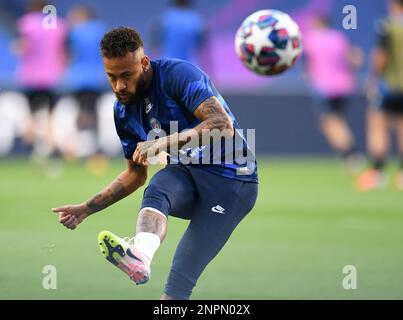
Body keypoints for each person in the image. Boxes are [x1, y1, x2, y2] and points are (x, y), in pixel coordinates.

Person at [52, 27, 258, 300]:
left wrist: (164, 143)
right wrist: (86, 209)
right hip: (188, 173)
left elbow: (222, 125)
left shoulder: (178, 75)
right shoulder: (123, 110)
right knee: (158, 185)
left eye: (126, 75)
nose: (119, 86)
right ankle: (140, 256)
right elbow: (134, 176)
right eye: (111, 77)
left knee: (177, 286)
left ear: (144, 63)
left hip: (233, 181)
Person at [303, 15, 364, 170]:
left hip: (325, 87)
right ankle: (349, 156)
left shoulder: (311, 39)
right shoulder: (339, 37)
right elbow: (356, 58)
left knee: (330, 123)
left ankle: (351, 155)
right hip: (345, 86)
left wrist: (310, 79)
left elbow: (307, 63)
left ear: (317, 23)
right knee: (338, 121)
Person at [356, 0, 403, 191]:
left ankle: (377, 173)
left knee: (377, 126)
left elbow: (380, 56)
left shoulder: (387, 25)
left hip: (389, 86)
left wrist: (372, 78)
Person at [16, 0, 67, 160]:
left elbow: (23, 48)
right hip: (52, 77)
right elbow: (63, 52)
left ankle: (26, 152)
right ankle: (50, 151)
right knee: (50, 116)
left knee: (31, 115)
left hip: (31, 77)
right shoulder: (59, 25)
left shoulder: (26, 23)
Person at [149, 0, 206, 65]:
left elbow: (154, 43)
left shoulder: (164, 18)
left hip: (167, 63)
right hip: (190, 65)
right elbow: (201, 43)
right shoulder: (197, 20)